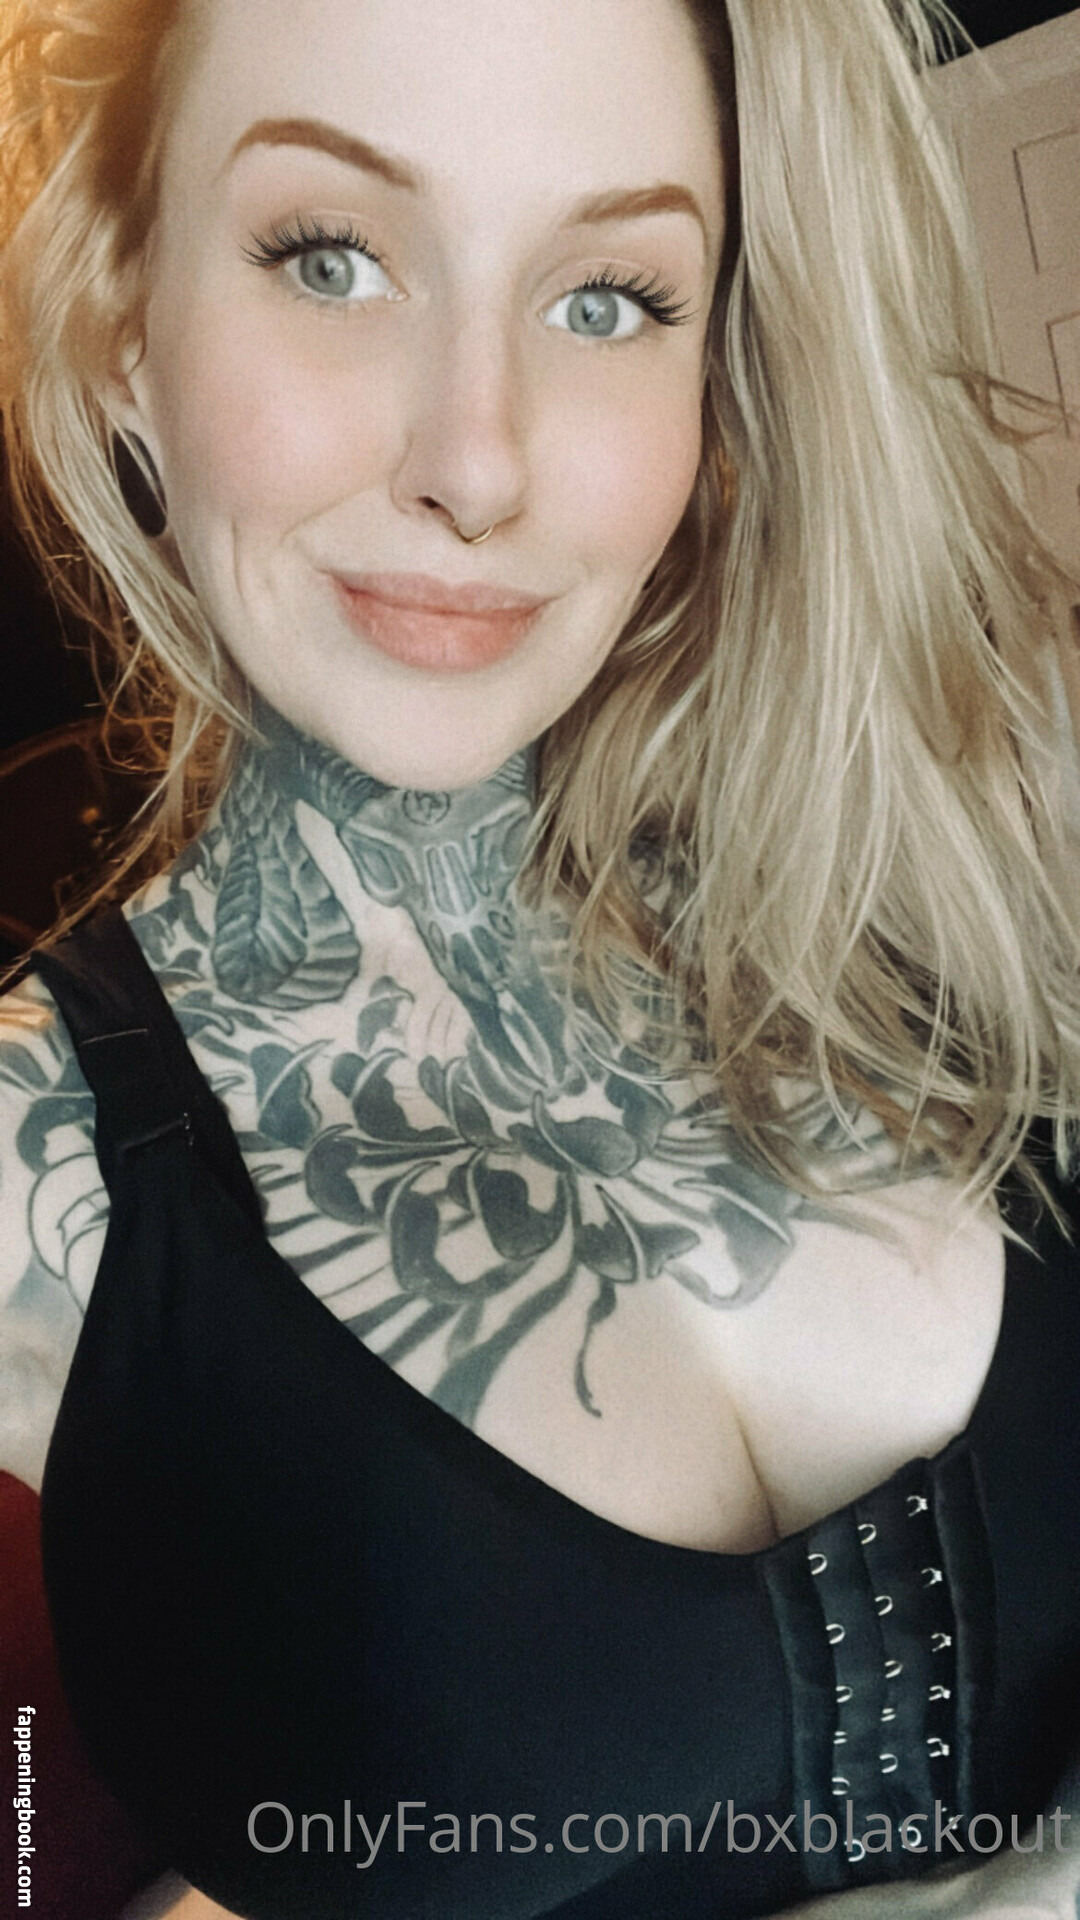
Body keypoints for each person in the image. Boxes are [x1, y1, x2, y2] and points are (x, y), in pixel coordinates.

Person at [2, 0, 1080, 1915]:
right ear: (120, 327)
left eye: (608, 298)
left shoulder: (975, 874)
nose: (478, 462)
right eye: (330, 259)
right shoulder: (31, 1166)